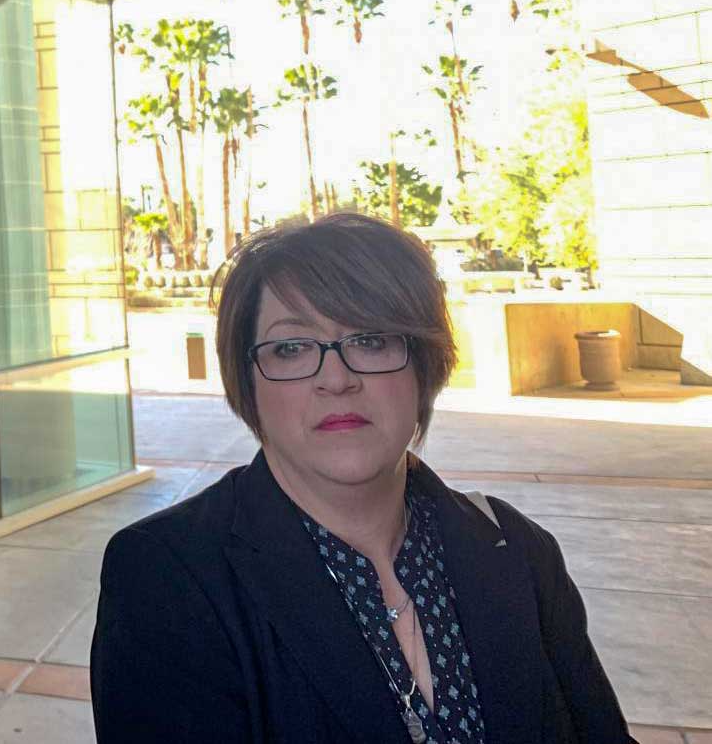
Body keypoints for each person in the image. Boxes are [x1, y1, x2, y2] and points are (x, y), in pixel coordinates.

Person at [91, 212, 632, 743]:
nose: (337, 378)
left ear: (424, 365)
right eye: (292, 348)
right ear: (247, 380)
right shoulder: (166, 579)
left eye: (371, 340)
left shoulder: (516, 548)